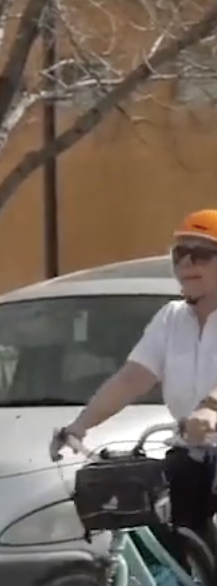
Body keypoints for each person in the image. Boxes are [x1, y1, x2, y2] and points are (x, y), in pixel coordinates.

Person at [51, 209, 217, 548]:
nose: (185, 265)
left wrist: (210, 408)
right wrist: (78, 427)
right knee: (158, 531)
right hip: (192, 453)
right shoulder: (171, 318)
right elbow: (130, 380)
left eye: (199, 255)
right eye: (179, 255)